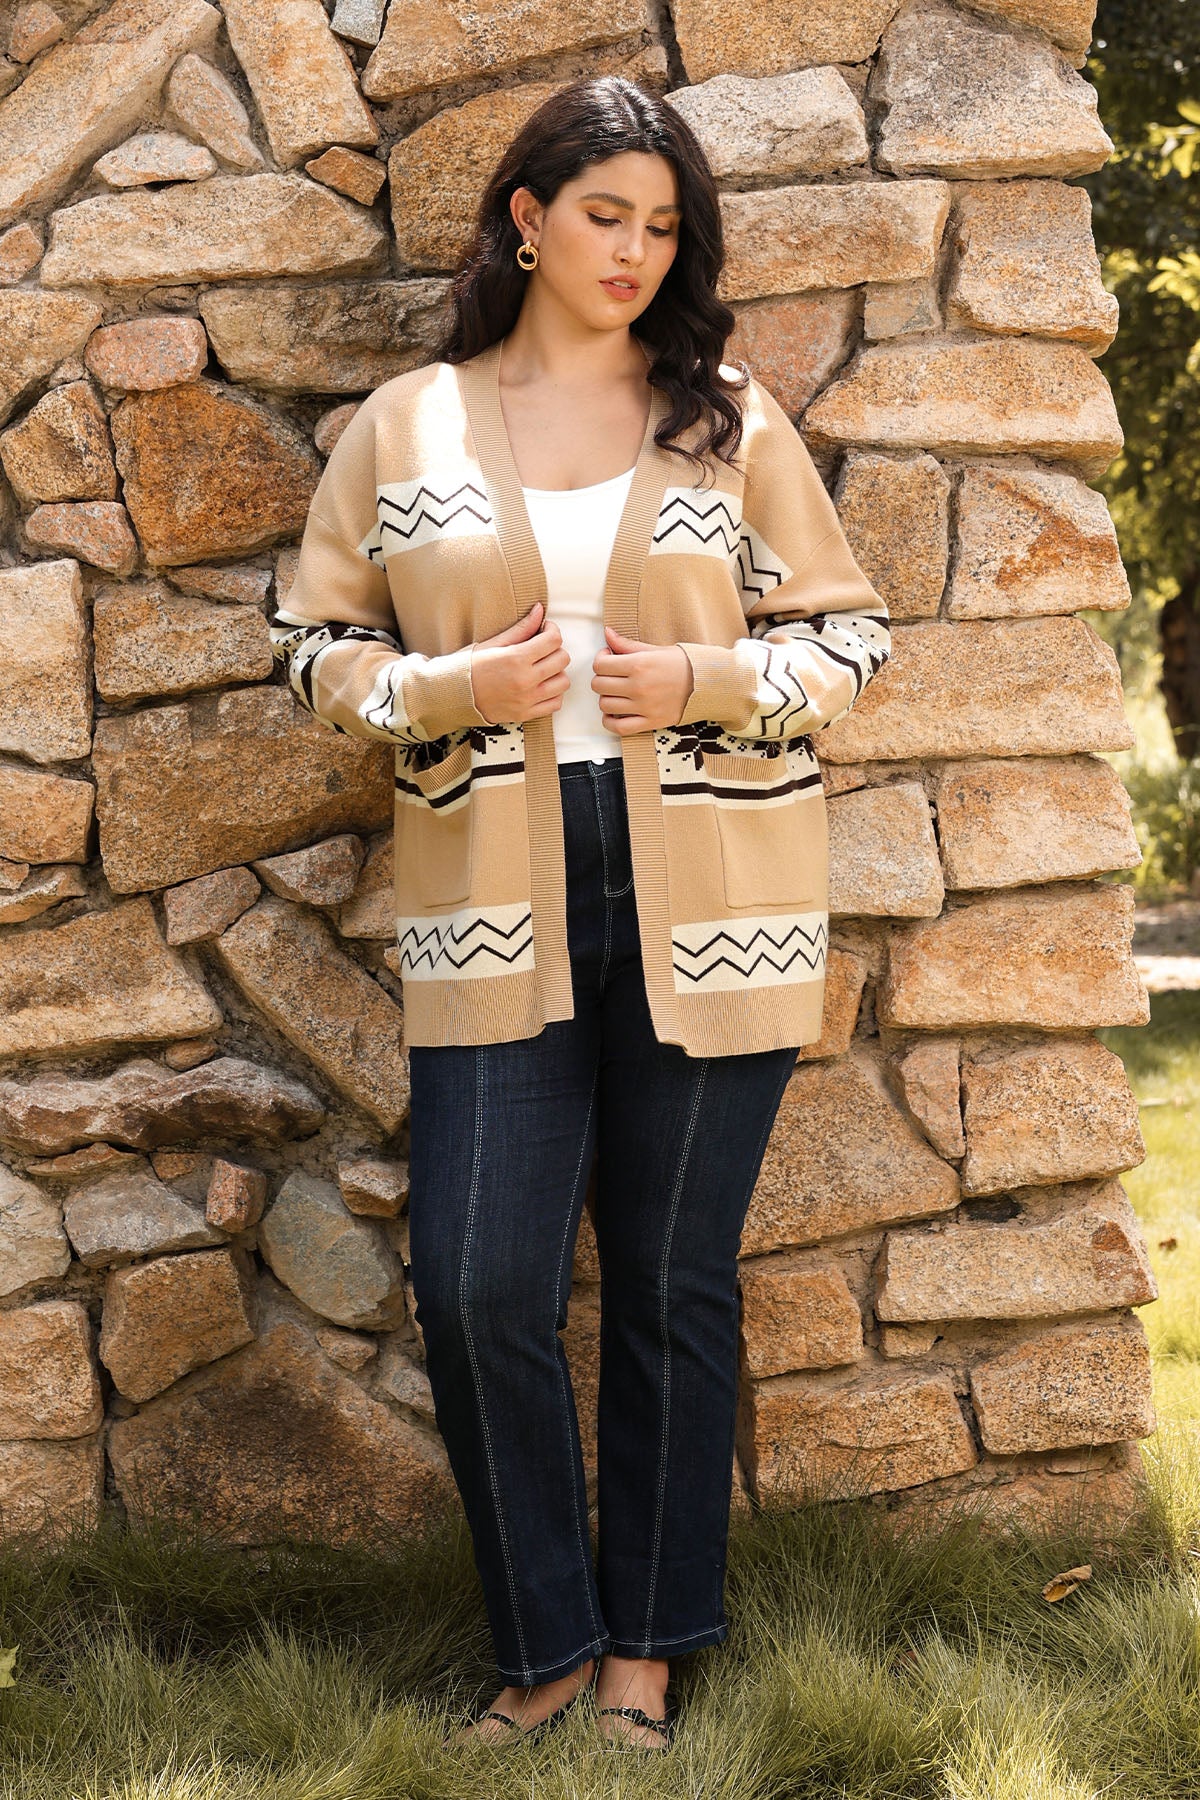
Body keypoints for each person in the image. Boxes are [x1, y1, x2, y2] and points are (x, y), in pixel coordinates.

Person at [269, 74, 891, 1756]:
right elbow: (312, 643)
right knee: (481, 1284)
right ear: (528, 219)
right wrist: (449, 689)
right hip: (492, 895)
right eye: (604, 214)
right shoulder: (408, 423)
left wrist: (705, 678)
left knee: (674, 1280)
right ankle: (543, 1645)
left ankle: (645, 1658)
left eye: (663, 227)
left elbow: (850, 637)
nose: (633, 251)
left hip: (720, 899)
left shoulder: (725, 417)